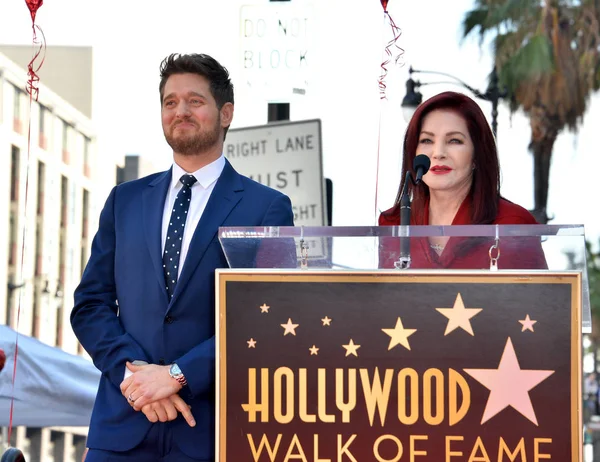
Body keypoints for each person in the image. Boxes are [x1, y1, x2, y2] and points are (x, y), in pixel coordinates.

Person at [71, 53, 294, 461]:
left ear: (225, 113)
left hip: (210, 432)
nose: (180, 111)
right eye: (170, 102)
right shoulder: (125, 200)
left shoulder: (268, 208)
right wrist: (134, 380)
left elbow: (267, 319)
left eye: (195, 100)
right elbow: (89, 306)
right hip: (121, 426)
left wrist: (177, 375)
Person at [379, 91, 547, 269]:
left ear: (476, 155)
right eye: (427, 140)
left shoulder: (513, 224)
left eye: (454, 141)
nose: (438, 153)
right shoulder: (393, 223)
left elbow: (543, 296)